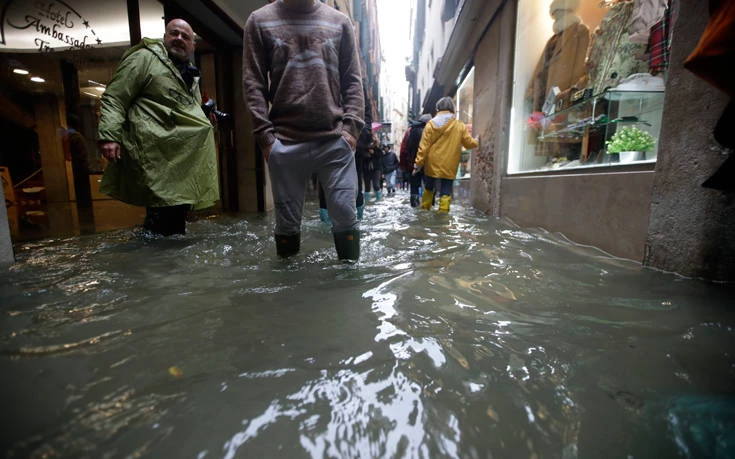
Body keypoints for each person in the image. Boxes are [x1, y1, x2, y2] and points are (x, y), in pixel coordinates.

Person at [243, 0, 364, 261]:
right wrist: (265, 138)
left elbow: (353, 79)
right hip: (284, 142)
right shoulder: (259, 21)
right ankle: (287, 291)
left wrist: (351, 130)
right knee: (286, 225)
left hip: (335, 140)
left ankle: (351, 289)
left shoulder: (340, 22)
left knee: (346, 215)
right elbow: (253, 82)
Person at [97, 18, 219, 236]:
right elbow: (115, 97)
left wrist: (204, 115)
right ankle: (156, 266)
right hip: (156, 155)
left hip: (180, 162)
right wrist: (109, 136)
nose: (179, 39)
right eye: (174, 33)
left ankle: (166, 266)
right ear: (164, 37)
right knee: (161, 218)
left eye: (185, 37)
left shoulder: (190, 74)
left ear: (192, 46)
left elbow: (187, 110)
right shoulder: (144, 58)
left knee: (174, 218)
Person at [413, 97, 479, 213]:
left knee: (429, 188)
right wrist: (477, 141)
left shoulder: (430, 125)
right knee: (446, 190)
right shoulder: (459, 125)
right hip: (450, 163)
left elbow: (423, 147)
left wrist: (418, 164)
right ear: (451, 108)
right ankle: (443, 216)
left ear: (437, 108)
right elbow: (469, 144)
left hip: (432, 163)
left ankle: (425, 211)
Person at [399, 113, 431, 207]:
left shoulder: (409, 131)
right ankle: (428, 209)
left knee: (414, 188)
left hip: (412, 166)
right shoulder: (430, 131)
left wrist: (404, 166)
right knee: (428, 187)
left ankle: (415, 207)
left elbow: (403, 150)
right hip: (428, 165)